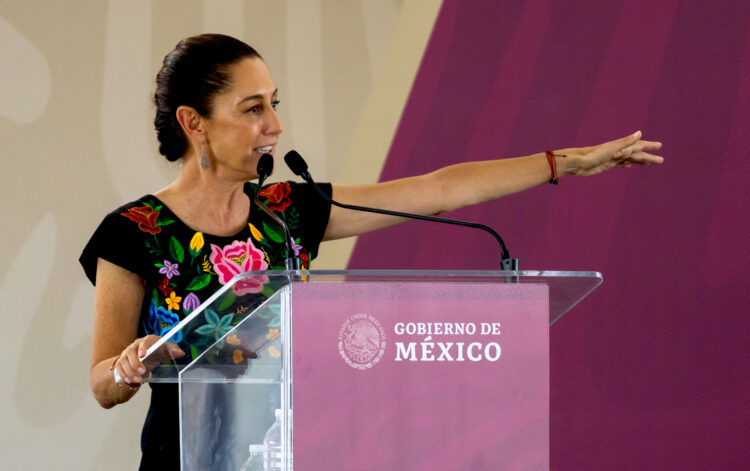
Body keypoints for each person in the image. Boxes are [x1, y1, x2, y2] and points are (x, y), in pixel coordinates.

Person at [80, 33, 662, 469]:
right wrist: (132, 365)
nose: (275, 125)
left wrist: (567, 162)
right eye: (253, 108)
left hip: (294, 451)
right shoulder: (135, 230)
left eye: (275, 103)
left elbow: (438, 190)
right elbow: (104, 384)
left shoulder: (287, 211)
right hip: (186, 456)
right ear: (193, 122)